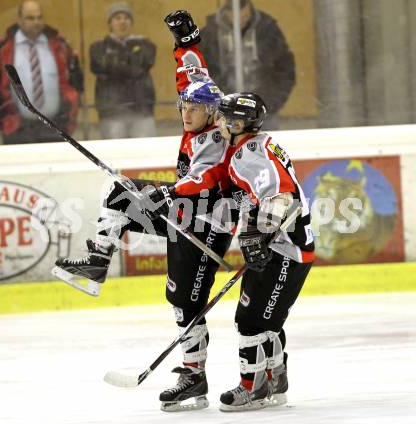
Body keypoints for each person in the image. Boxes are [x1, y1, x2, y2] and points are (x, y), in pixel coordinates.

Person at [53, 10, 236, 412]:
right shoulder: (200, 100)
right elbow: (191, 69)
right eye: (182, 106)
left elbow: (202, 182)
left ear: (211, 114)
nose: (184, 113)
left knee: (186, 304)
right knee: (118, 192)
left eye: (192, 110)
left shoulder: (218, 139)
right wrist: (186, 39)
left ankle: (194, 377)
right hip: (184, 214)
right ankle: (98, 262)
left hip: (207, 223)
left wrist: (164, 196)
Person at [212, 92, 314, 411]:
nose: (222, 122)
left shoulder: (249, 153)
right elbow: (253, 195)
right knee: (264, 320)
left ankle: (252, 387)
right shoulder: (251, 146)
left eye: (230, 118)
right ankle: (274, 378)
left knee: (251, 319)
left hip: (287, 249)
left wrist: (258, 232)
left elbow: (282, 194)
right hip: (281, 244)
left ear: (243, 124)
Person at [0, 0, 83, 145]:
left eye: (39, 17)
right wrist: (4, 118)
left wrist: (66, 118)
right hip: (16, 130)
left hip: (56, 127)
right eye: (30, 18)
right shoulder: (1, 49)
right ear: (20, 20)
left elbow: (76, 83)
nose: (36, 22)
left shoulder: (61, 46)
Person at [200, 0, 296, 130]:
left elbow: (285, 68)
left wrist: (270, 103)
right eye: (235, 18)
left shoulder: (267, 30)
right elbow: (200, 74)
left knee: (264, 146)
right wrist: (216, 102)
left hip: (262, 112)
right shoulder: (210, 34)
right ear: (227, 13)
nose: (241, 22)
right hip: (223, 112)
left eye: (245, 17)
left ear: (249, 9)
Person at [90, 3, 157, 139]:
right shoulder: (98, 48)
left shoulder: (146, 45)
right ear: (110, 23)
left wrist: (116, 63)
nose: (122, 22)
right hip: (112, 113)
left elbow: (139, 67)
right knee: (114, 155)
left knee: (146, 154)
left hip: (141, 110)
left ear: (131, 22)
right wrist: (129, 61)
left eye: (126, 18)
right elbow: (102, 65)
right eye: (117, 18)